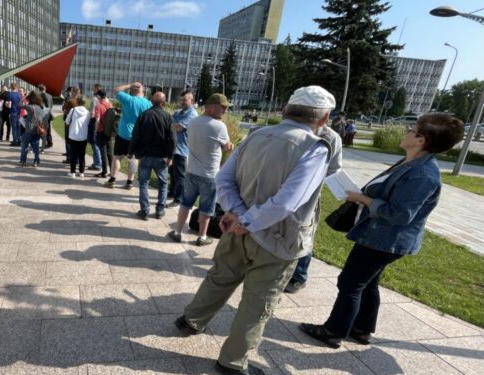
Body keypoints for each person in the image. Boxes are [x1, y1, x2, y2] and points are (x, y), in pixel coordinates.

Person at [175, 86, 337, 375]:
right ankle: (232, 361)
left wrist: (237, 215)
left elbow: (224, 179)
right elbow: (288, 202)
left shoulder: (257, 135)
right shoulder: (315, 148)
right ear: (323, 119)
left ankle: (192, 319)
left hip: (239, 229)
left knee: (220, 277)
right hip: (277, 239)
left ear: (286, 110)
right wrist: (245, 220)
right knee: (258, 301)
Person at [299, 113, 464, 350]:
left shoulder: (422, 174)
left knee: (350, 283)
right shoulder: (410, 162)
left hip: (385, 239)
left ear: (421, 140)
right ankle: (361, 329)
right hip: (380, 236)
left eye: (412, 128)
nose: (406, 130)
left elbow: (399, 215)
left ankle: (332, 332)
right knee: (367, 282)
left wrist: (363, 199)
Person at [284, 125, 344, 294]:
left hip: (308, 194)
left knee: (304, 233)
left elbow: (334, 169)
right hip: (283, 189)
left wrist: (310, 176)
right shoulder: (293, 129)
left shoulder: (330, 137)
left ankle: (299, 276)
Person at [168, 93, 233, 246]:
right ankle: (202, 237)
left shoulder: (193, 122)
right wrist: (230, 146)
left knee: (185, 203)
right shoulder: (219, 126)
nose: (224, 111)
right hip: (209, 175)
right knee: (206, 207)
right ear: (211, 108)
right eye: (222, 107)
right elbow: (226, 147)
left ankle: (177, 232)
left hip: (191, 171)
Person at [130, 92, 176, 221]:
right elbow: (172, 138)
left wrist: (131, 151)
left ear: (152, 102)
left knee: (143, 184)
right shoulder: (168, 117)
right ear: (163, 103)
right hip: (161, 157)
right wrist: (170, 156)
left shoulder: (143, 115)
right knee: (163, 184)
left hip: (145, 156)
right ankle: (160, 211)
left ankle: (144, 210)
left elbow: (135, 136)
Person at [106, 82, 152, 189]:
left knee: (117, 157)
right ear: (143, 92)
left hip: (123, 133)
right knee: (134, 159)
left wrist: (130, 85)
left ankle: (112, 180)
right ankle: (129, 182)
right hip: (138, 136)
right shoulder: (148, 104)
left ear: (132, 91)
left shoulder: (128, 99)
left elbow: (116, 89)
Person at [167, 90, 198, 208]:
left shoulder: (192, 115)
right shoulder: (179, 112)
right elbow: (171, 124)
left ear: (192, 101)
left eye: (185, 100)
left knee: (180, 175)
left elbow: (178, 128)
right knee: (172, 173)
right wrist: (171, 125)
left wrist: (170, 125)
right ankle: (171, 193)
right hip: (174, 148)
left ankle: (178, 199)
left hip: (182, 150)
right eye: (181, 100)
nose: (182, 102)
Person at [65, 96, 90, 177]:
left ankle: (73, 172)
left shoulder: (73, 110)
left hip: (73, 135)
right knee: (82, 155)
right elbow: (88, 123)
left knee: (73, 155)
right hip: (83, 136)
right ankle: (81, 172)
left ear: (77, 102)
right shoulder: (87, 112)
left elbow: (67, 121)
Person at [19, 91, 45, 167]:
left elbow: (19, 104)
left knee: (25, 145)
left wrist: (24, 97)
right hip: (37, 129)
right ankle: (36, 161)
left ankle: (23, 160)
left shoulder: (29, 107)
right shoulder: (40, 107)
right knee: (36, 146)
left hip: (29, 129)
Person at [93, 90, 114, 178]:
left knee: (103, 152)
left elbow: (97, 120)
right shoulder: (110, 105)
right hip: (109, 131)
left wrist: (95, 131)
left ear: (99, 96)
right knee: (110, 153)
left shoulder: (98, 106)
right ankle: (112, 172)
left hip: (101, 131)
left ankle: (104, 172)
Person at [62, 87, 81, 163]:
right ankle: (77, 158)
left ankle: (69, 158)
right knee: (77, 141)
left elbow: (64, 109)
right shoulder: (80, 101)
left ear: (73, 92)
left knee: (68, 141)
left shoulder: (70, 101)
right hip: (78, 123)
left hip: (69, 122)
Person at [88, 83, 103, 171]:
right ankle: (97, 162)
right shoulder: (104, 99)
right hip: (101, 123)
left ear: (97, 89)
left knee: (94, 143)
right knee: (97, 143)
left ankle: (97, 164)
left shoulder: (94, 99)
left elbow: (92, 113)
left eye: (94, 89)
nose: (92, 91)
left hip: (94, 122)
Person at [5, 82, 23, 146]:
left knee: (14, 127)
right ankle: (19, 140)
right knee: (19, 127)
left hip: (13, 112)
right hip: (19, 112)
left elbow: (9, 105)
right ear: (16, 87)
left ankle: (15, 141)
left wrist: (5, 104)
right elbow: (21, 104)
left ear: (11, 87)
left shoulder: (10, 94)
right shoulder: (19, 95)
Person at [38, 84, 54, 149]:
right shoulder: (50, 95)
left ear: (39, 89)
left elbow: (40, 105)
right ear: (45, 89)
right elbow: (52, 104)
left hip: (43, 114)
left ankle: (44, 143)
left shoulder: (39, 96)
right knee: (48, 129)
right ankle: (50, 142)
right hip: (49, 114)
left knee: (42, 129)